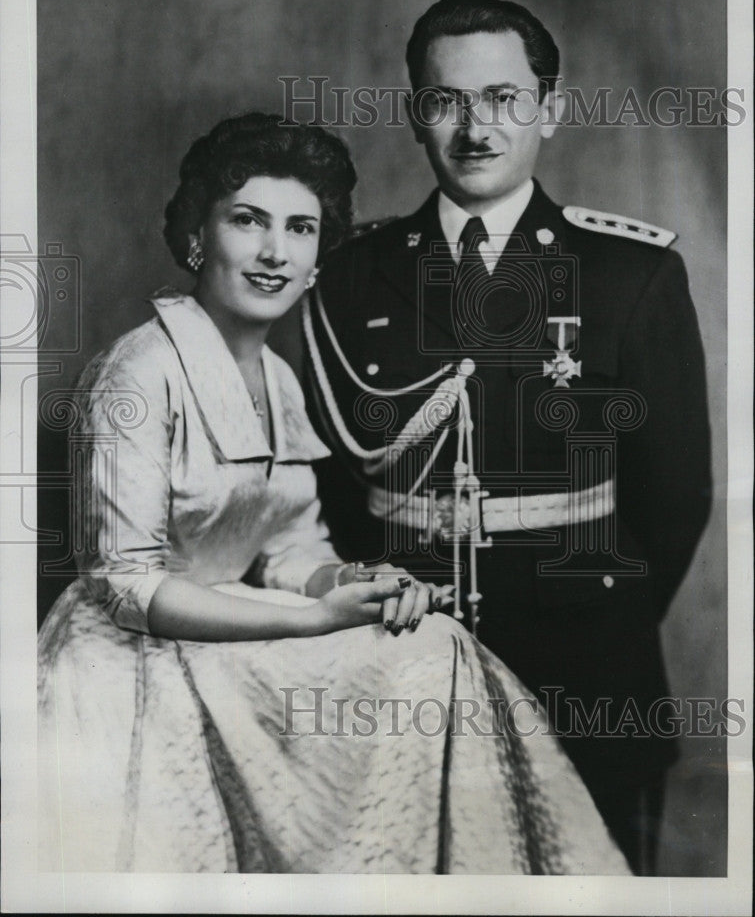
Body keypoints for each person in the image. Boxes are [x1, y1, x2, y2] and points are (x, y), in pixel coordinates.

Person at [37, 111, 629, 875]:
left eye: (300, 229)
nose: (275, 252)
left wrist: (356, 582)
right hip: (131, 663)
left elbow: (290, 550)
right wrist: (318, 617)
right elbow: (125, 585)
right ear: (195, 237)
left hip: (223, 641)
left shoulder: (278, 380)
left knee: (428, 642)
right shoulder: (137, 374)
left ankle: (449, 877)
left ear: (319, 255)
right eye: (247, 221)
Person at [304, 0, 712, 875]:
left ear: (550, 111)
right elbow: (329, 482)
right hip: (401, 654)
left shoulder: (628, 273)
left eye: (502, 98)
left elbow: (675, 494)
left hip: (583, 663)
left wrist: (600, 619)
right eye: (447, 101)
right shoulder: (350, 272)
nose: (475, 127)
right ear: (417, 115)